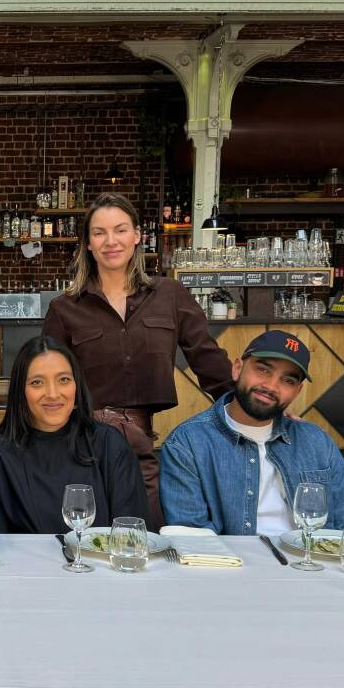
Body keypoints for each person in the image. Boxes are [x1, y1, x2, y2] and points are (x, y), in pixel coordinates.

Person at [42, 192, 233, 526]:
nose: (110, 241)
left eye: (120, 230)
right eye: (99, 233)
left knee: (148, 530)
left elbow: (207, 357)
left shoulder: (169, 295)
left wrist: (244, 406)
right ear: (88, 243)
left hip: (140, 441)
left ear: (137, 236)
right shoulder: (64, 307)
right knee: (82, 535)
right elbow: (46, 376)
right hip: (82, 441)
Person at [159, 330, 344, 535]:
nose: (271, 386)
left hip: (309, 561)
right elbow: (192, 537)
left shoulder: (316, 442)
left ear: (297, 392)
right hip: (233, 564)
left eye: (288, 381)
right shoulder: (187, 444)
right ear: (237, 369)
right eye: (263, 370)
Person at [0, 335, 149, 533]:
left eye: (63, 380)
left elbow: (131, 535)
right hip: (25, 564)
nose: (52, 393)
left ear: (76, 386)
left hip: (99, 563)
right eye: (37, 382)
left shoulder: (109, 445)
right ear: (20, 390)